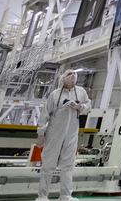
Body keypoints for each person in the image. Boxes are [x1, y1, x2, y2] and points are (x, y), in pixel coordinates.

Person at [35, 69, 90, 201]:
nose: (73, 76)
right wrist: (41, 133)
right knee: (48, 163)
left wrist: (79, 107)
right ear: (62, 78)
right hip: (54, 132)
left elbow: (88, 106)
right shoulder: (55, 94)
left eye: (74, 74)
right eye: (69, 74)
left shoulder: (81, 92)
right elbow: (45, 114)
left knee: (68, 164)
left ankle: (65, 195)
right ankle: (42, 196)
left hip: (71, 133)